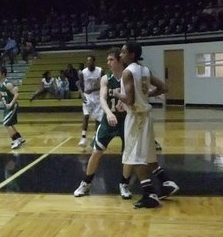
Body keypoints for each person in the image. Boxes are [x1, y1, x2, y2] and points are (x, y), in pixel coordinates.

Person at [117, 41, 179, 209]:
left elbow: (129, 99)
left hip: (135, 117)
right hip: (146, 116)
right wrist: (148, 94)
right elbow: (163, 87)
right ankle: (166, 183)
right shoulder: (145, 70)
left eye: (123, 52)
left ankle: (149, 194)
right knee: (149, 156)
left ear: (132, 54)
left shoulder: (127, 72)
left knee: (135, 158)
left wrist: (115, 93)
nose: (120, 55)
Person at [74, 48, 130, 198]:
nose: (108, 63)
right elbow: (102, 99)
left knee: (127, 155)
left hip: (126, 120)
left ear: (119, 60)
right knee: (96, 152)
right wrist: (109, 113)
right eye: (107, 60)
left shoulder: (129, 76)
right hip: (109, 120)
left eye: (111, 60)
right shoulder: (106, 78)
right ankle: (86, 183)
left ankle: (124, 184)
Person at [0, 65, 25, 149]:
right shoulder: (0, 84)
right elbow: (0, 95)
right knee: (9, 123)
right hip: (7, 107)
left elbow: (16, 95)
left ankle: (15, 141)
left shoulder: (8, 84)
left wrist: (11, 104)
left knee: (6, 123)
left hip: (12, 106)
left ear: (3, 74)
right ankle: (19, 138)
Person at [77, 55, 104, 146]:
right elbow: (79, 84)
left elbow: (104, 85)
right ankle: (83, 138)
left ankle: (96, 136)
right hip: (87, 97)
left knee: (97, 118)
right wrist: (81, 94)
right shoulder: (83, 72)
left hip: (97, 97)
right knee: (86, 116)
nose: (89, 62)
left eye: (90, 60)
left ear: (94, 61)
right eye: (87, 61)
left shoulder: (100, 71)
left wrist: (93, 89)